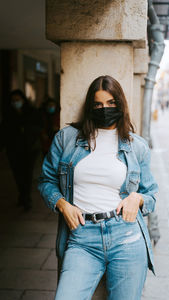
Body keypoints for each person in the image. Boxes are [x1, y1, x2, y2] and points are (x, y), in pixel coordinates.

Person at [38, 75, 158, 300]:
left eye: (111, 103)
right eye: (98, 104)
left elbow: (151, 193)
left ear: (120, 104)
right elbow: (46, 180)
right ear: (90, 107)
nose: (105, 109)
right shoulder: (67, 138)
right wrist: (62, 205)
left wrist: (137, 198)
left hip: (126, 237)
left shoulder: (137, 146)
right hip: (81, 238)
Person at [0, 89, 42, 211]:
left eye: (17, 100)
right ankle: (22, 195)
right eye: (13, 101)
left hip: (29, 150)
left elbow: (39, 126)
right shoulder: (8, 114)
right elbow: (3, 132)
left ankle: (26, 198)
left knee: (27, 175)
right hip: (13, 150)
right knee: (18, 175)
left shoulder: (32, 112)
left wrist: (26, 130)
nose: (15, 102)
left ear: (23, 100)